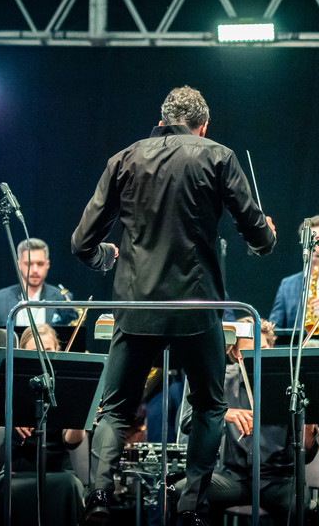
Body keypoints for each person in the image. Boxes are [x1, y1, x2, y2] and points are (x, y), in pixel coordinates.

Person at [70, 85, 277, 526]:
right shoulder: (218, 155)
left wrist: (106, 258)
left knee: (114, 408)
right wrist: (267, 237)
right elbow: (257, 233)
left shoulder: (124, 158)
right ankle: (192, 506)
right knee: (208, 405)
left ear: (162, 119)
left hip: (136, 306)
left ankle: (99, 496)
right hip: (195, 307)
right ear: (203, 125)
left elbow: (81, 242)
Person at [176, 319, 319, 525]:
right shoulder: (221, 382)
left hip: (279, 480)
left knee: (298, 508)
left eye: (264, 350)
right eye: (249, 354)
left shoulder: (290, 385)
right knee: (184, 494)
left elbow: (308, 453)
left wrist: (309, 423)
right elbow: (187, 422)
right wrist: (222, 413)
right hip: (234, 478)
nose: (259, 359)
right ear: (235, 354)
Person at [0, 323, 86, 526]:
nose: (42, 356)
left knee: (70, 486)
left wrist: (79, 415)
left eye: (48, 350)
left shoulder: (67, 383)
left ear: (57, 351)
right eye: (34, 351)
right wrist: (9, 417)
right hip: (16, 468)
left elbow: (73, 442)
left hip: (58, 469)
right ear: (23, 353)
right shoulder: (9, 382)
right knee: (10, 489)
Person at [0, 237, 78, 328]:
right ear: (19, 265)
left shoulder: (63, 298)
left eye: (40, 264)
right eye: (29, 263)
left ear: (47, 264)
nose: (35, 270)